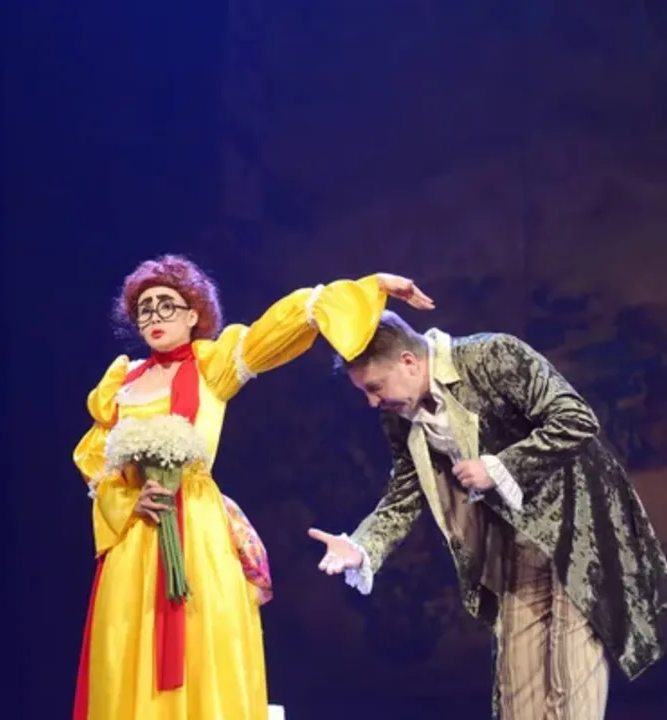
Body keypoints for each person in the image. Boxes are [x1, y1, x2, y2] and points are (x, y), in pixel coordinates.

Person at [71, 255, 433, 720]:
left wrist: (365, 288)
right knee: (127, 646)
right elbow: (95, 465)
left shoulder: (212, 366)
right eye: (145, 309)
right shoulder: (120, 383)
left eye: (167, 305)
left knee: (204, 647)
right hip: (136, 539)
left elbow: (277, 328)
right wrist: (129, 499)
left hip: (196, 531)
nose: (155, 316)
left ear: (192, 314)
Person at [308, 309, 667, 719]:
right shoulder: (400, 415)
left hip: (577, 526)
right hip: (515, 541)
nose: (372, 402)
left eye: (374, 387)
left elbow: (576, 419)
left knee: (570, 673)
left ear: (408, 362)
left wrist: (501, 466)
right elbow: (405, 492)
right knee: (518, 687)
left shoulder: (492, 355)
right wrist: (363, 546)